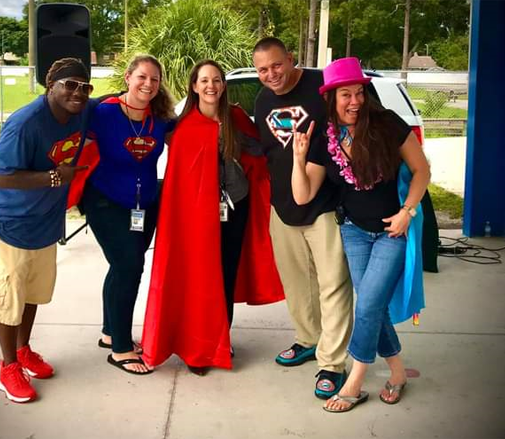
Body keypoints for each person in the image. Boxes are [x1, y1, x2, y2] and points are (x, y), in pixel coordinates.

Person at [291, 57, 430, 412]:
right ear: (331, 99)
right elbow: (302, 195)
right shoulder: (327, 136)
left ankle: (355, 379)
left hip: (391, 230)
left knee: (366, 304)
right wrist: (298, 158)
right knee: (374, 304)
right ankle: (397, 373)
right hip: (353, 231)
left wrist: (407, 212)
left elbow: (421, 170)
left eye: (359, 93)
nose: (354, 101)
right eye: (345, 95)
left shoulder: (387, 125)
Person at [141, 60, 284, 375]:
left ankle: (221, 338)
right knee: (198, 276)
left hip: (235, 208)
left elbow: (261, 155)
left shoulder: (234, 117)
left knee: (225, 276)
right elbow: (181, 178)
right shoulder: (185, 127)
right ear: (194, 86)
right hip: (194, 216)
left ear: (223, 84)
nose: (211, 86)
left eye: (216, 80)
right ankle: (196, 348)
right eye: (204, 80)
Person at [0, 57, 92, 403]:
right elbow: (0, 177)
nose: (78, 92)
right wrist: (54, 178)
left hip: (44, 223)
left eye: (84, 87)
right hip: (9, 222)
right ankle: (8, 367)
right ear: (50, 86)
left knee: (33, 293)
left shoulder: (81, 111)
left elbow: (112, 100)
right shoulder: (26, 123)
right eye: (69, 85)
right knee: (7, 298)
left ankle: (24, 351)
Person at [252, 37, 354, 399]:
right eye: (262, 69)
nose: (271, 75)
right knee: (297, 284)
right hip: (283, 206)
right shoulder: (262, 100)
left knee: (333, 285)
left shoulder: (320, 86)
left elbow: (352, 128)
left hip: (325, 205)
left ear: (291, 58)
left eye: (276, 65)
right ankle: (309, 339)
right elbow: (267, 153)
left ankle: (332, 362)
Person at [81, 55, 176, 375]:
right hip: (105, 201)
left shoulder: (161, 117)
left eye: (154, 79)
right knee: (128, 265)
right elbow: (64, 125)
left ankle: (110, 332)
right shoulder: (102, 112)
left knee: (124, 268)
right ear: (128, 77)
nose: (148, 84)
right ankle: (121, 348)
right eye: (142, 77)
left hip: (146, 204)